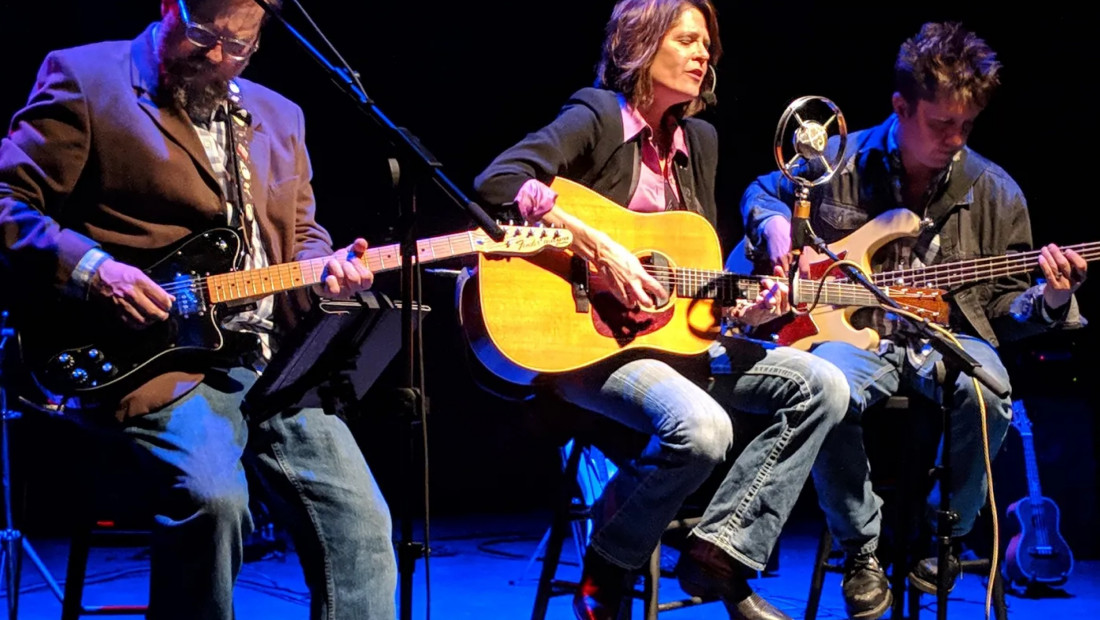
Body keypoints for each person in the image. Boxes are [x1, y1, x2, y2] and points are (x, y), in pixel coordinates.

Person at [0, 1, 399, 618]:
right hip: (153, 357)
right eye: (203, 35)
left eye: (237, 46)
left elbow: (301, 234)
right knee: (213, 501)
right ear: (170, 7)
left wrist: (329, 269)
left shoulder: (278, 115)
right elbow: (9, 202)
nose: (216, 57)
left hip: (272, 360)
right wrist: (95, 270)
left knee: (363, 524)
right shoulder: (86, 79)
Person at [473, 2, 850, 619]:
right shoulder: (597, 115)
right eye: (686, 40)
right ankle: (609, 562)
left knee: (824, 384)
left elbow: (693, 280)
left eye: (707, 44)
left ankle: (722, 554)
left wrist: (748, 309)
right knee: (704, 431)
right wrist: (599, 248)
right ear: (641, 45)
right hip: (588, 343)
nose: (704, 54)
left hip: (676, 344)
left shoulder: (700, 142)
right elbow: (497, 183)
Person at [739, 21, 1088, 620]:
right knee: (824, 387)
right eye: (941, 124)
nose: (955, 139)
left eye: (968, 126)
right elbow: (763, 192)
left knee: (990, 391)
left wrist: (1052, 301)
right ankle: (862, 551)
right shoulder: (838, 161)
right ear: (901, 107)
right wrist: (771, 223)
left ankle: (942, 535)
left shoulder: (997, 191)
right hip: (852, 338)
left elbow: (1005, 309)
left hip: (949, 336)